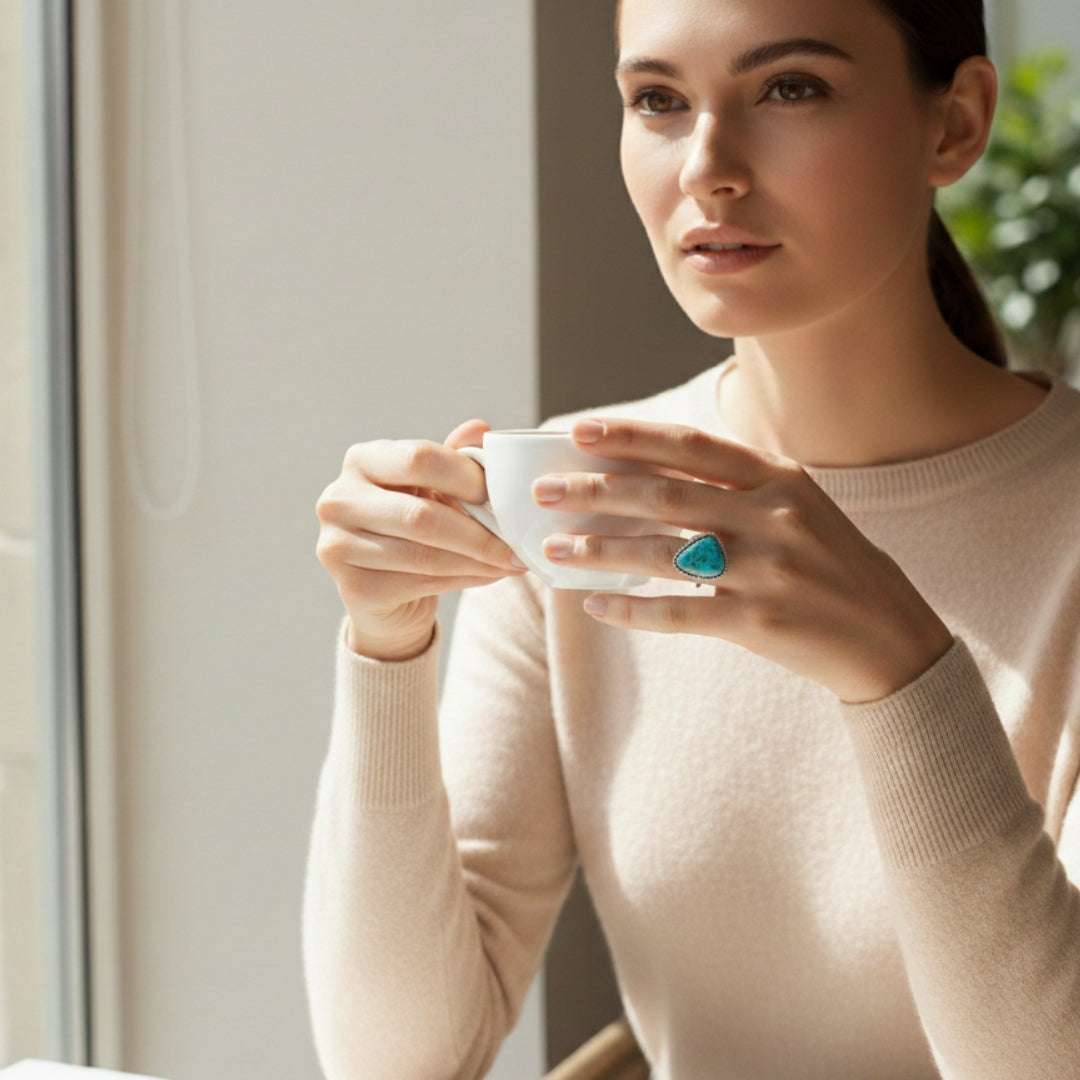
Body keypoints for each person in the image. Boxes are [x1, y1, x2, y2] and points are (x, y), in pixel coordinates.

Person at [304, 1, 1080, 1076]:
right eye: (658, 101)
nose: (708, 168)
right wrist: (386, 648)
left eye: (789, 88)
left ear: (954, 124)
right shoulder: (578, 503)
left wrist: (906, 673)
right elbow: (396, 1062)